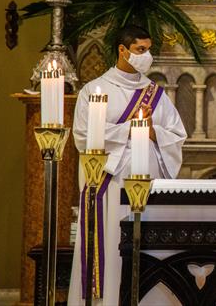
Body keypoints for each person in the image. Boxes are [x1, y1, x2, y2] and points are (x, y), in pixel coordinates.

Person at [68, 25, 187, 305]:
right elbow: (84, 135)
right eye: (140, 50)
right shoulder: (94, 90)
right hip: (109, 184)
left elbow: (177, 135)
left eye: (148, 50)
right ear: (122, 50)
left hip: (146, 186)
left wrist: (153, 132)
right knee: (109, 243)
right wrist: (133, 130)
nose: (147, 56)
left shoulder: (155, 93)